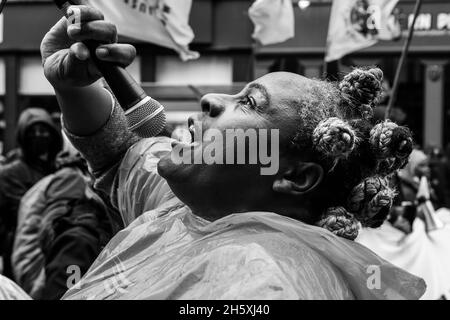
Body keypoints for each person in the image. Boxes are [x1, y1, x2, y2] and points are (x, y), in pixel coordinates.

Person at [40, 5, 425, 300]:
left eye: (250, 103)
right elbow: (120, 153)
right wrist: (74, 84)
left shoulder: (269, 284)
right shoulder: (189, 208)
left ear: (294, 177)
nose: (210, 99)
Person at [0, 108, 63, 279]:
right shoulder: (10, 173)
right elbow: (24, 212)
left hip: (56, 251)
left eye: (43, 131)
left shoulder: (58, 167)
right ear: (23, 136)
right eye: (32, 132)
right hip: (22, 250)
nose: (38, 136)